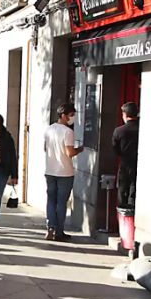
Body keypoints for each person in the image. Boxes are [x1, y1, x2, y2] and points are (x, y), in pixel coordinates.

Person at [44, 103, 84, 242]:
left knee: (51, 200)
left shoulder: (49, 129)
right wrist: (80, 149)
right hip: (64, 172)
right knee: (61, 203)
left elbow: (45, 148)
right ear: (63, 115)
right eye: (71, 115)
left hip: (50, 170)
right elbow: (70, 152)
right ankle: (59, 232)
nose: (72, 118)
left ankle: (50, 227)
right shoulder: (68, 132)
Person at [113, 102, 140, 209]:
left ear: (125, 114)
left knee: (123, 190)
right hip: (138, 165)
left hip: (125, 164)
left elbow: (115, 149)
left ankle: (123, 217)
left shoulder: (119, 131)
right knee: (134, 190)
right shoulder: (142, 129)